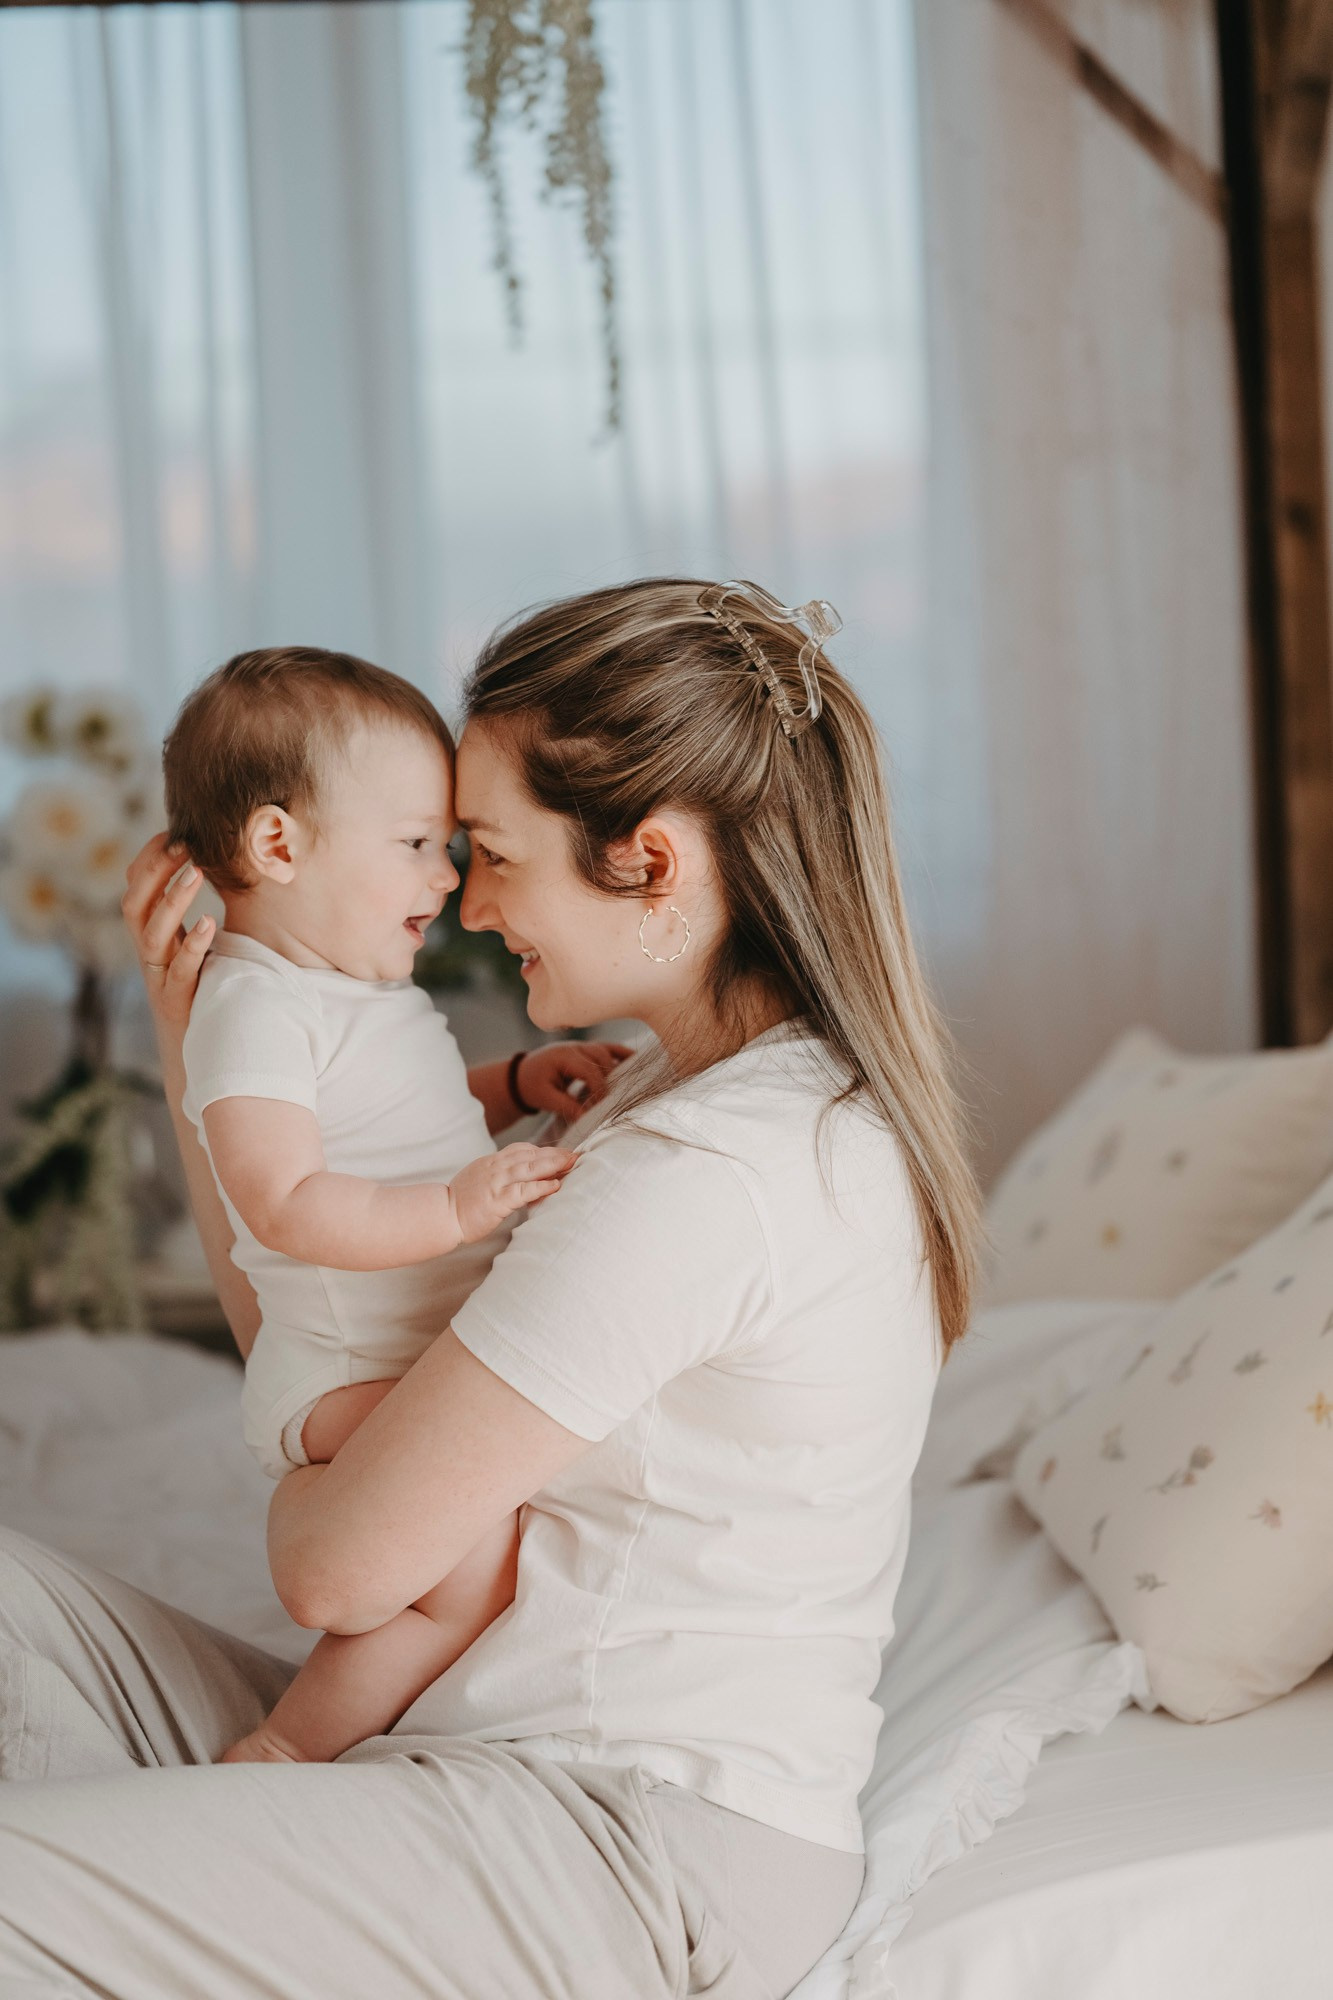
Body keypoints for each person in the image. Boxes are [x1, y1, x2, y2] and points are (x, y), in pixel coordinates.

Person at [0, 576, 981, 2000]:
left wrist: (321, 1495)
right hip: (459, 1746)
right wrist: (208, 1052)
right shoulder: (672, 1089)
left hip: (616, 1828)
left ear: (649, 860)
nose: (464, 897)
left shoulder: (718, 1170)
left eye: (491, 850)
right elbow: (319, 1332)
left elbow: (331, 1568)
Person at [159, 645, 626, 1767]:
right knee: (465, 1579)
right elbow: (281, 1196)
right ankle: (286, 1748)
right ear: (279, 844)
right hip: (340, 1365)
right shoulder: (255, 1005)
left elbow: (402, 1135)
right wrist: (459, 1214)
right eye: (419, 846)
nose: (445, 883)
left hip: (395, 1351)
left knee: (477, 1550)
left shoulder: (354, 993)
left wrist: (510, 1087)